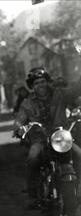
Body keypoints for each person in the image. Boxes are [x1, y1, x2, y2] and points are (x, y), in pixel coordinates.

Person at [13, 67, 81, 208]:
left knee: (79, 154)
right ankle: (32, 195)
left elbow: (75, 90)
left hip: (60, 136)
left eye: (43, 81)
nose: (40, 85)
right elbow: (20, 119)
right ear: (32, 86)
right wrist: (19, 128)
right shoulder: (27, 103)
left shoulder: (60, 94)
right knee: (33, 157)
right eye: (37, 83)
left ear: (48, 82)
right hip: (40, 139)